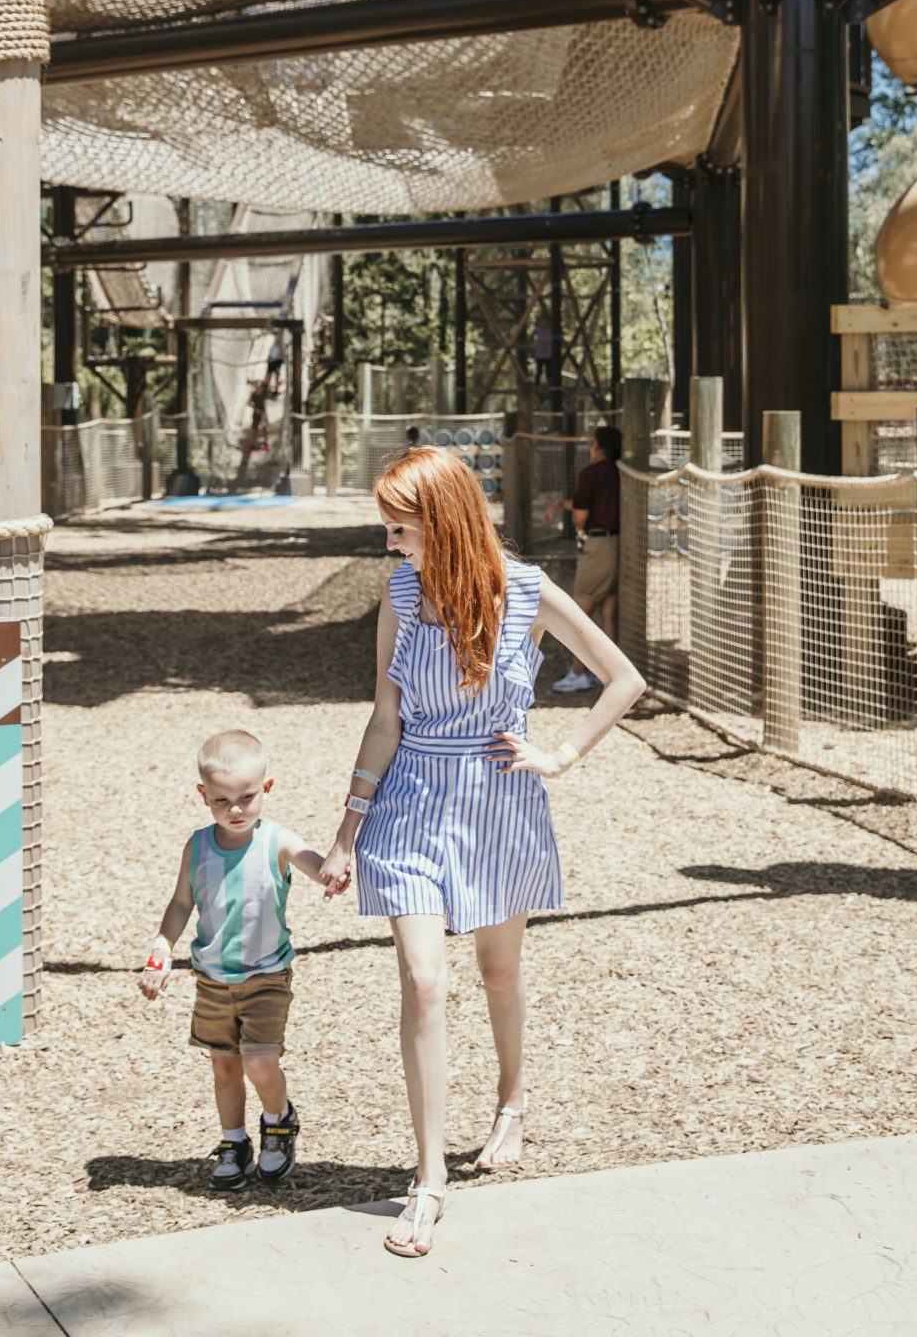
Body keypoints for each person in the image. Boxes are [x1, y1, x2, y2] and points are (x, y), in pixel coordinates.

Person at [319, 446, 645, 1257]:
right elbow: (384, 720)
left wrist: (560, 756)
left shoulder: (527, 589)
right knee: (423, 982)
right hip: (409, 804)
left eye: (401, 530)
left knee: (498, 972)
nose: (392, 545)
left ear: (444, 520)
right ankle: (427, 1181)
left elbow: (623, 679)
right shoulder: (399, 589)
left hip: (499, 803)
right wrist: (347, 832)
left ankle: (511, 1102)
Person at [139, 729, 325, 1191]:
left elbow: (317, 864)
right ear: (203, 795)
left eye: (246, 797)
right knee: (224, 1065)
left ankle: (279, 1122)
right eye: (222, 800)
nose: (235, 809)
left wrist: (336, 868)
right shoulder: (198, 846)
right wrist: (162, 948)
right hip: (213, 978)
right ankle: (233, 1142)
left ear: (267, 788)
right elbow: (182, 903)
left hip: (266, 975)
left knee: (259, 1063)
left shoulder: (276, 841)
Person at [540, 424, 622, 694]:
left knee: (579, 614)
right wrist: (561, 503)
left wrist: (574, 516)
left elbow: (581, 517)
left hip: (597, 546)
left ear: (599, 447)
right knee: (609, 611)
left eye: (591, 443)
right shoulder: (619, 472)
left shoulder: (590, 474)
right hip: (618, 545)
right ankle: (611, 673)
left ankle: (578, 673)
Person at [532, 314, 553, 386]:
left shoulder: (550, 330)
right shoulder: (538, 329)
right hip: (540, 354)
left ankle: (550, 384)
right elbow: (531, 336)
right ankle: (537, 384)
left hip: (548, 354)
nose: (543, 323)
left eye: (544, 321)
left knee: (549, 371)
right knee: (539, 370)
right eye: (541, 321)